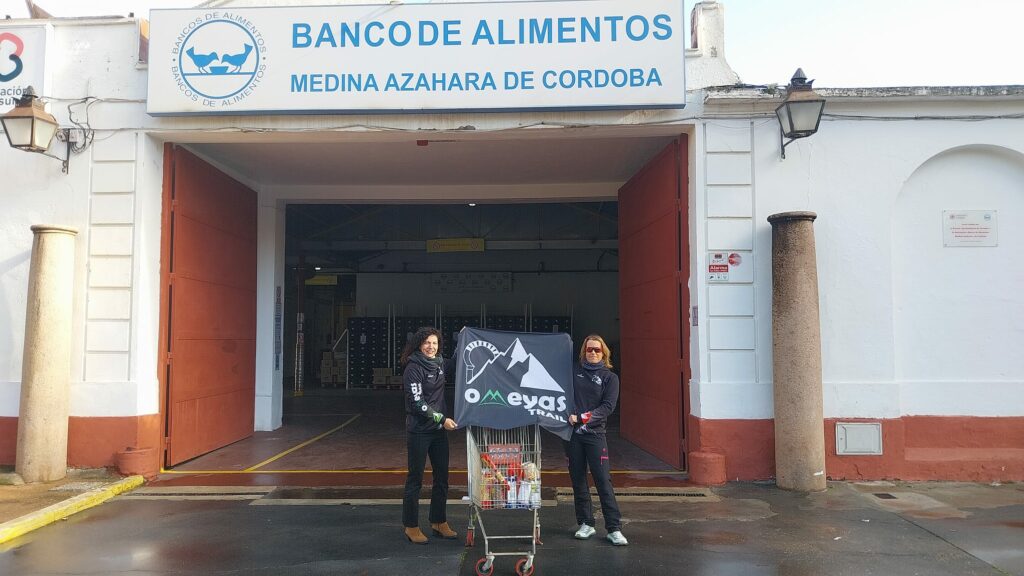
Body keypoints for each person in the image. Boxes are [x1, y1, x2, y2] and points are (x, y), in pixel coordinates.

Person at [565, 334, 628, 546]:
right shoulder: (573, 372)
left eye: (597, 350)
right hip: (573, 436)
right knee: (578, 480)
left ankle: (614, 528)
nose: (592, 353)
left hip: (595, 435)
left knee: (602, 480)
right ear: (584, 352)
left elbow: (608, 407)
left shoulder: (610, 378)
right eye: (589, 349)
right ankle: (586, 523)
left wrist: (582, 418)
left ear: (604, 353)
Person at [401, 326, 458, 545]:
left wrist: (464, 337)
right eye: (427, 343)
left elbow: (456, 361)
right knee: (415, 479)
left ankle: (438, 521)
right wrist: (442, 419)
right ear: (419, 345)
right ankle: (411, 526)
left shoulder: (440, 363)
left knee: (442, 478)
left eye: (434, 343)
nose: (431, 347)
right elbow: (417, 403)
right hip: (419, 431)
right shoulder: (413, 368)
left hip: (437, 432)